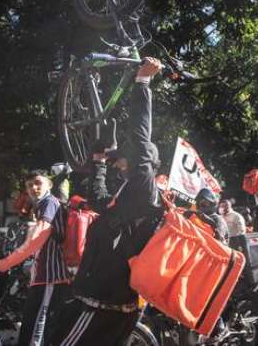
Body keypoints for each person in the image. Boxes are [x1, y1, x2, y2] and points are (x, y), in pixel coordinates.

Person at [51, 57, 164, 346]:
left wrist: (142, 83)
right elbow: (99, 202)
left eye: (119, 158)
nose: (117, 163)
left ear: (141, 161)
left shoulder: (143, 184)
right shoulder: (129, 192)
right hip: (106, 298)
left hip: (104, 301)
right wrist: (99, 162)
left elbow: (140, 138)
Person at [0, 171, 70, 346]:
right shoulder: (42, 205)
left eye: (38, 183)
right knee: (33, 328)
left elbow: (35, 241)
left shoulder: (49, 203)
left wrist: (4, 264)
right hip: (42, 277)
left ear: (49, 184)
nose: (33, 188)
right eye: (29, 185)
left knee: (34, 332)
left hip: (50, 277)